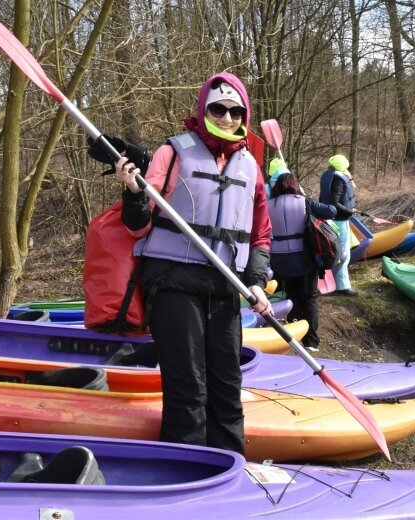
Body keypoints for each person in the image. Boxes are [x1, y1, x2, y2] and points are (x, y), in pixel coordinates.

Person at [113, 72, 272, 455]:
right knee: (189, 390)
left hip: (225, 289)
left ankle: (228, 472)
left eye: (236, 112)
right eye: (218, 109)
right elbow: (137, 223)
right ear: (203, 110)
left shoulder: (251, 166)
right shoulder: (172, 153)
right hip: (174, 283)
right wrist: (132, 192)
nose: (227, 118)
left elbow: (260, 233)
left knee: (226, 390)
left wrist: (254, 280)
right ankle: (187, 473)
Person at [268, 173, 336, 350]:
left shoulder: (268, 205)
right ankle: (311, 341)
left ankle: (293, 335)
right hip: (305, 259)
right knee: (310, 298)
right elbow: (331, 211)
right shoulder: (305, 202)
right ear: (295, 185)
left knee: (292, 296)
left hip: (280, 260)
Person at [319, 154, 357, 296]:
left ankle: (336, 282)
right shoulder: (338, 179)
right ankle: (342, 286)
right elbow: (335, 202)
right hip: (339, 221)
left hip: (329, 219)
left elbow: (323, 197)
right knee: (343, 254)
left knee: (336, 252)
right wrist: (350, 210)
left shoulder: (327, 176)